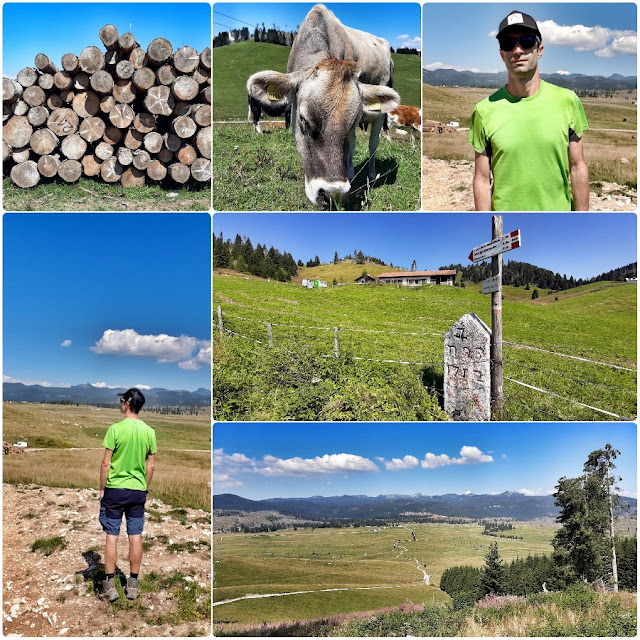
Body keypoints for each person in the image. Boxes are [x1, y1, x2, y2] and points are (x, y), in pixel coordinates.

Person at [469, 10, 589, 211]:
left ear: (539, 49)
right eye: (508, 43)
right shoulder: (483, 111)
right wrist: (487, 224)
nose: (517, 50)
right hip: (506, 222)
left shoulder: (568, 101)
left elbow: (578, 166)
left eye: (526, 41)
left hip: (559, 219)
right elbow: (481, 178)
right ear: (502, 54)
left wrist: (583, 218)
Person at [98, 388, 156, 602]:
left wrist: (102, 488)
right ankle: (132, 585)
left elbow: (106, 463)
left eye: (121, 400)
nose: (120, 403)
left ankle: (109, 586)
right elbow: (151, 467)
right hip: (138, 491)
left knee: (112, 536)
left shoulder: (115, 429)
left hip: (115, 490)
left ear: (126, 403)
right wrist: (144, 486)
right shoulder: (149, 431)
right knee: (135, 535)